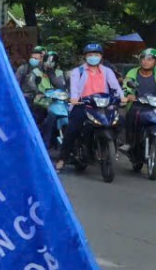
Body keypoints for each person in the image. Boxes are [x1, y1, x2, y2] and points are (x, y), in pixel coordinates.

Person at [57, 42, 122, 172]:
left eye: (96, 54)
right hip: (83, 104)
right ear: (85, 56)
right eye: (90, 54)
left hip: (103, 104)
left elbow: (115, 87)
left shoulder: (107, 71)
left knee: (118, 122)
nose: (93, 57)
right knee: (73, 129)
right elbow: (74, 88)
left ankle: (113, 148)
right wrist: (74, 98)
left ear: (101, 56)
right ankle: (62, 159)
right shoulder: (78, 71)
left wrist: (122, 97)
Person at [121, 49, 156, 152]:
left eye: (149, 59)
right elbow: (126, 86)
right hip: (137, 103)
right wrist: (129, 94)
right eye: (143, 59)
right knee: (131, 114)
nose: (145, 61)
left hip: (154, 104)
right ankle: (129, 142)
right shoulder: (132, 72)